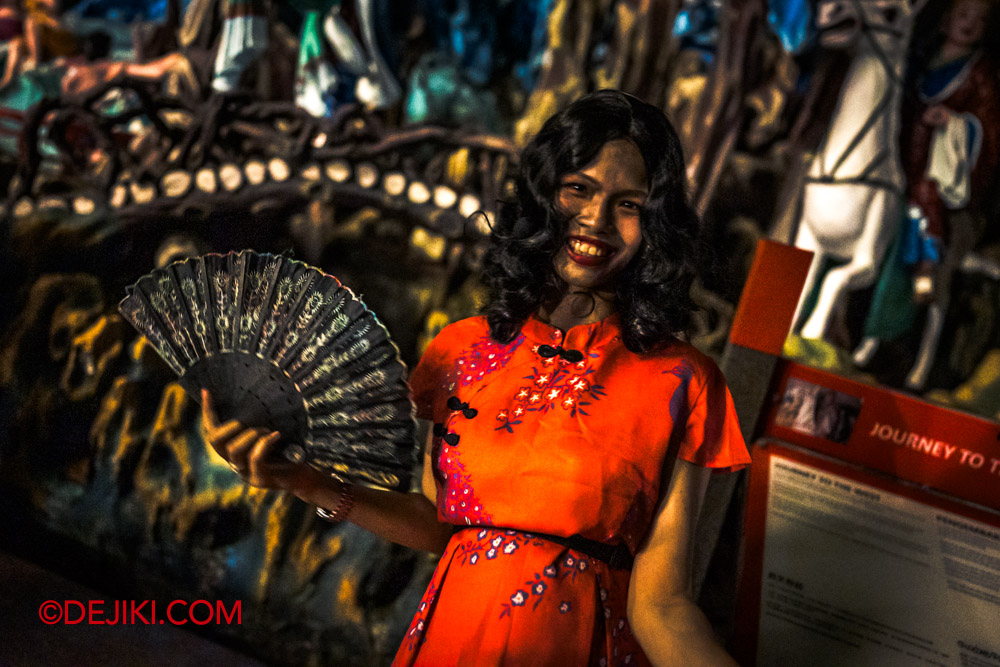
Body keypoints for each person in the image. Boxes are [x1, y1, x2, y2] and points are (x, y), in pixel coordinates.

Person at [202, 89, 751, 666]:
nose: (596, 219)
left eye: (629, 204)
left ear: (655, 225)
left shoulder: (682, 382)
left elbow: (662, 605)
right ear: (544, 196)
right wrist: (308, 483)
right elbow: (439, 525)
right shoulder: (462, 350)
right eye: (578, 189)